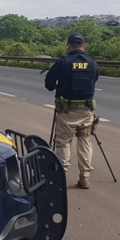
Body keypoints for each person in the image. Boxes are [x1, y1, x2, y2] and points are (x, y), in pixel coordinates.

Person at [44, 32, 99, 189]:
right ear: (84, 45)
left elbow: (48, 84)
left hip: (67, 111)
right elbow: (94, 79)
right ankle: (85, 177)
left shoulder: (63, 62)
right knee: (85, 141)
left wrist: (59, 86)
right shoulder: (92, 62)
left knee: (63, 143)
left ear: (69, 45)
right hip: (86, 111)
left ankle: (61, 176)